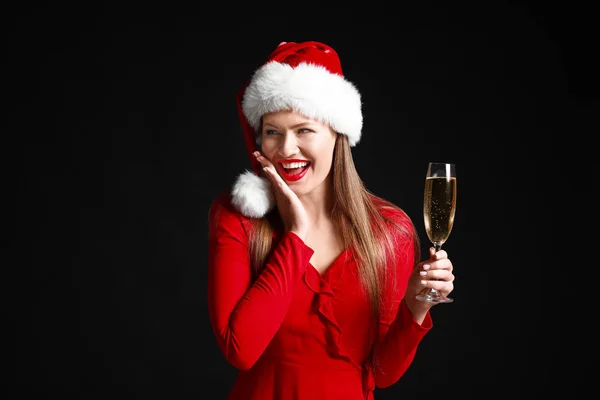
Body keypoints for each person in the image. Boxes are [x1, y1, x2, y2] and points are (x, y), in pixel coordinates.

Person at [207, 41, 455, 400]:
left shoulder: (389, 231)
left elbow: (382, 374)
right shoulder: (238, 219)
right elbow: (240, 350)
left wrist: (417, 306)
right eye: (273, 131)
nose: (286, 149)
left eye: (304, 130)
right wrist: (296, 235)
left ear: (338, 136)